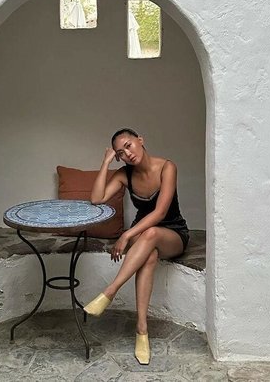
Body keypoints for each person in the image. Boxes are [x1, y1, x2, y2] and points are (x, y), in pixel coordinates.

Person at [83, 128, 189, 365]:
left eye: (128, 146)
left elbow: (160, 212)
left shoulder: (167, 167)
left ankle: (110, 291)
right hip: (142, 236)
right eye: (120, 153)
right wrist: (106, 162)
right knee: (149, 256)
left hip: (172, 232)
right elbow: (97, 198)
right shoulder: (124, 174)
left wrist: (127, 234)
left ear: (140, 140)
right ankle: (142, 330)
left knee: (151, 233)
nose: (127, 154)